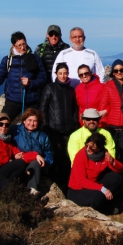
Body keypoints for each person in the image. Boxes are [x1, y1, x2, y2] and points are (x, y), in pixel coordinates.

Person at [0, 31, 46, 121]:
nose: (23, 47)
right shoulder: (7, 60)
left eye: (24, 44)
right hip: (12, 101)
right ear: (13, 46)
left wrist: (31, 83)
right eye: (19, 45)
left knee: (34, 126)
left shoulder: (35, 58)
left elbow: (43, 78)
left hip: (31, 101)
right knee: (2, 123)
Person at [39, 62, 79, 192]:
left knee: (67, 159)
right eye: (60, 73)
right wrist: (45, 127)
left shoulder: (70, 90)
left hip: (69, 131)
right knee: (56, 159)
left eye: (65, 73)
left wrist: (74, 124)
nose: (63, 76)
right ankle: (56, 187)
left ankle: (67, 186)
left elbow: (74, 110)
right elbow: (43, 108)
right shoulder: (50, 88)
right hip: (54, 130)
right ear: (56, 74)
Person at [68, 133, 123, 214]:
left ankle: (106, 202)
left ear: (99, 148)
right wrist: (103, 189)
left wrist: (112, 162)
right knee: (97, 198)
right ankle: (105, 208)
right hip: (78, 190)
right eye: (87, 146)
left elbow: (121, 170)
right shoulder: (80, 156)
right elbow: (82, 181)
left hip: (94, 185)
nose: (88, 149)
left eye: (92, 148)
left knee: (116, 177)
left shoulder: (104, 154)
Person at [9, 108, 53, 195]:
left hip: (34, 165)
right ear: (24, 121)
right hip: (18, 161)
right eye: (29, 120)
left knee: (35, 162)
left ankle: (32, 190)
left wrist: (44, 165)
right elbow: (7, 145)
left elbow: (49, 152)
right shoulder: (15, 130)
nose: (32, 123)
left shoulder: (43, 136)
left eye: (35, 121)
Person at [98, 59, 123, 163]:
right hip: (112, 128)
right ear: (113, 73)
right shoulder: (108, 86)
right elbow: (103, 108)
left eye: (121, 70)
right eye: (116, 71)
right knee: (114, 156)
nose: (119, 72)